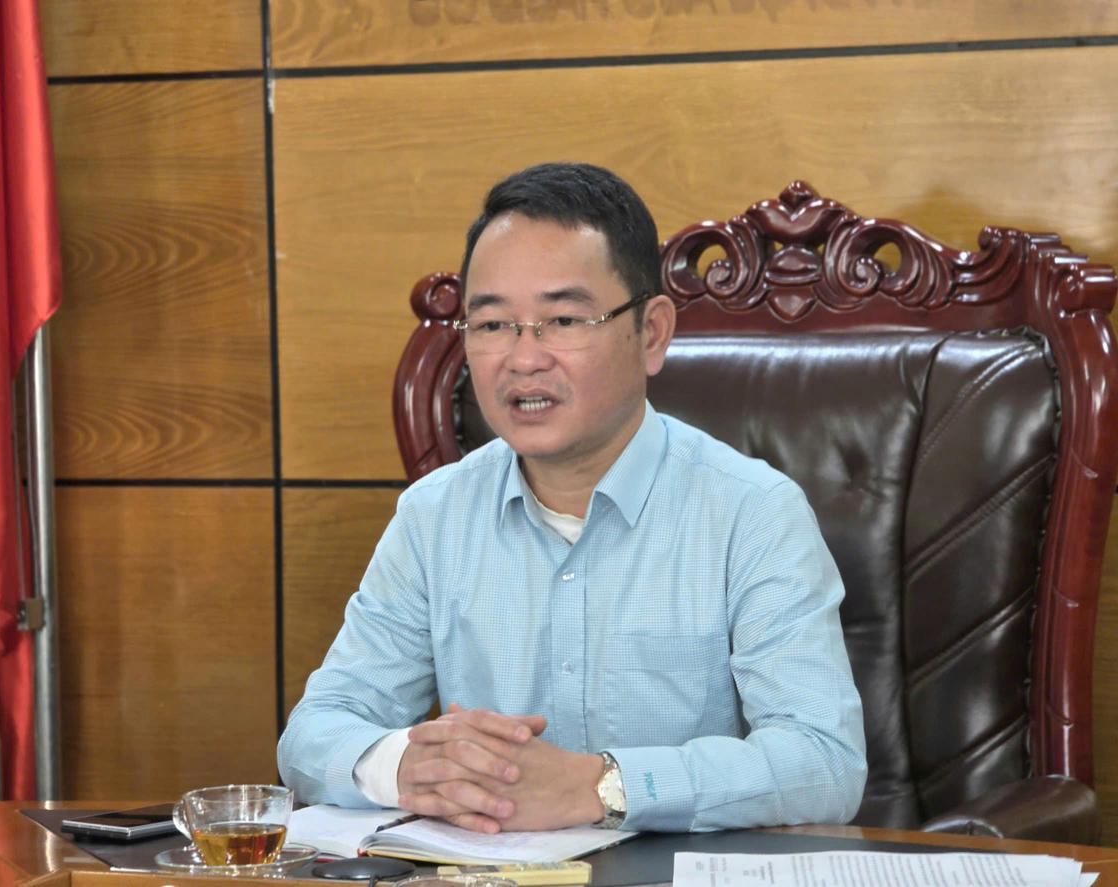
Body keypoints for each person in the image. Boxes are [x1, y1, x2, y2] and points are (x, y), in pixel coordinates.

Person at [277, 162, 866, 835]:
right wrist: (405, 766)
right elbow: (314, 733)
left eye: (562, 319)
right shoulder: (434, 515)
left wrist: (602, 785)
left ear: (651, 333)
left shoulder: (752, 513)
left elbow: (823, 763)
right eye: (492, 325)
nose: (523, 359)